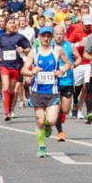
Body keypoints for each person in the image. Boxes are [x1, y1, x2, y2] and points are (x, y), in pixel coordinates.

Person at [23, 26, 67, 158]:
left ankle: (49, 126)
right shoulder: (34, 52)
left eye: (48, 36)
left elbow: (68, 64)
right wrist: (31, 72)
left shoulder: (57, 50)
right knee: (40, 120)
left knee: (52, 120)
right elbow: (23, 70)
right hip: (38, 91)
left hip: (52, 91)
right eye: (43, 36)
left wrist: (62, 71)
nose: (46, 38)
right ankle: (41, 146)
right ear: (39, 37)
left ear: (52, 37)